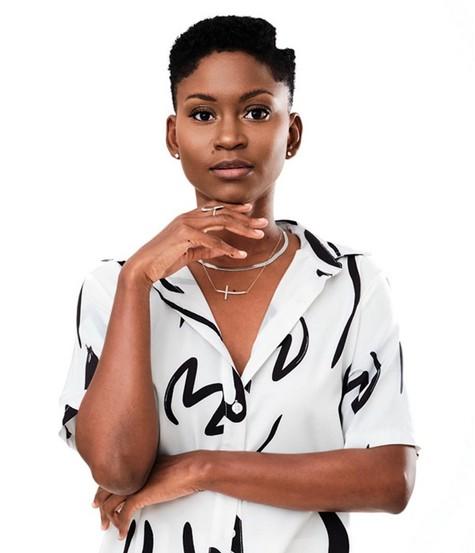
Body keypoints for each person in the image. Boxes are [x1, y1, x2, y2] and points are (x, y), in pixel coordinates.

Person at [58, 14, 421, 553]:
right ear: (174, 135)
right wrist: (137, 281)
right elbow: (116, 469)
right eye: (203, 114)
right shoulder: (115, 288)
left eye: (256, 112)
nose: (229, 136)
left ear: (291, 133)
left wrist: (202, 468)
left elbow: (390, 478)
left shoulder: (350, 286)